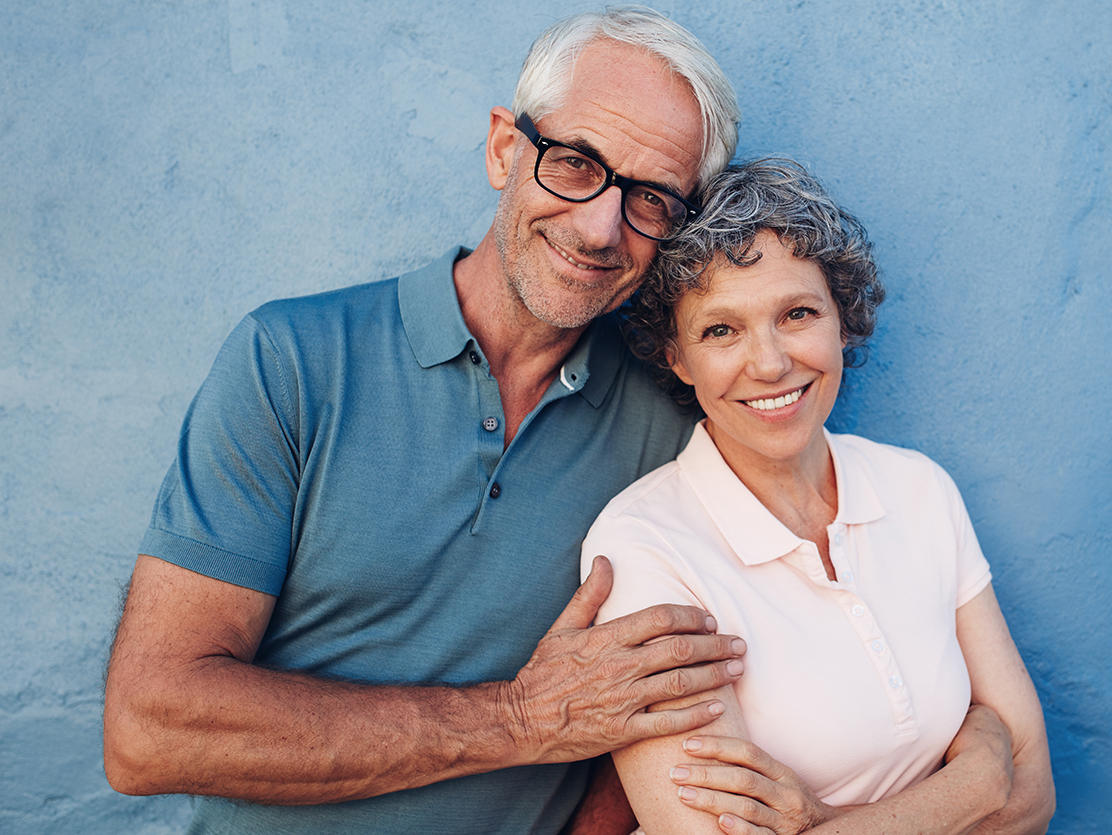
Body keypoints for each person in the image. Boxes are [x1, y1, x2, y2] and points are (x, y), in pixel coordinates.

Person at [102, 9, 750, 834]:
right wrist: (518, 719)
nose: (599, 228)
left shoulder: (677, 426)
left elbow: (678, 693)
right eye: (577, 163)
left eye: (651, 199)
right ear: (505, 150)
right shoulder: (292, 362)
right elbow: (147, 730)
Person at [581, 158, 1056, 834]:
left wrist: (827, 820)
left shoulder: (918, 488)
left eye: (798, 313)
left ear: (842, 320)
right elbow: (1005, 780)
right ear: (677, 357)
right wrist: (976, 780)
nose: (770, 362)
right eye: (722, 329)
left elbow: (1034, 796)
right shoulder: (644, 547)